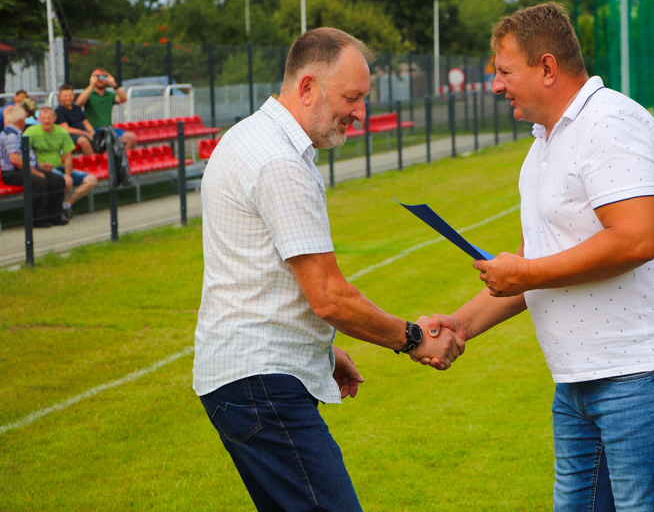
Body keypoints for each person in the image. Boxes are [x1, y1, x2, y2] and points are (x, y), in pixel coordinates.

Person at [425, 3, 654, 511]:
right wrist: (460, 324)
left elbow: (634, 239)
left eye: (504, 71)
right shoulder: (542, 145)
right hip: (580, 378)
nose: (496, 85)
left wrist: (528, 271)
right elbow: (535, 263)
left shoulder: (610, 123)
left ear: (546, 67)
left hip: (643, 372)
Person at [193, 27, 465, 512]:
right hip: (261, 383)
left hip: (249, 378)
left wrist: (321, 351)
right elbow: (329, 296)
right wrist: (414, 338)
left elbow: (262, 277)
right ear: (307, 88)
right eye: (352, 97)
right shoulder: (279, 161)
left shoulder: (250, 138)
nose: (361, 111)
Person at [0, 105, 68, 227]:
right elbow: (15, 160)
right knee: (39, 181)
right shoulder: (11, 135)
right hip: (12, 173)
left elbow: (25, 158)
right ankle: (37, 220)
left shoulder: (17, 133)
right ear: (20, 121)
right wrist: (34, 171)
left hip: (24, 169)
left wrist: (40, 166)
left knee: (57, 180)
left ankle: (55, 216)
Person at [24, 107, 97, 219]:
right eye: (43, 118)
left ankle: (65, 205)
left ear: (55, 118)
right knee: (66, 181)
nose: (46, 121)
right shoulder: (31, 132)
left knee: (91, 180)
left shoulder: (62, 132)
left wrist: (68, 175)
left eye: (49, 118)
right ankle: (54, 208)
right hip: (41, 168)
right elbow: (24, 153)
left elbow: (68, 156)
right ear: (39, 119)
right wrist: (39, 165)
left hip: (59, 166)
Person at [75, 68, 137, 150]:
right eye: (97, 77)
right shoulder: (89, 93)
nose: (100, 79)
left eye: (103, 77)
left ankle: (121, 162)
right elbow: (79, 103)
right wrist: (91, 85)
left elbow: (123, 99)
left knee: (131, 137)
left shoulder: (110, 95)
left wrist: (114, 85)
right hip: (94, 130)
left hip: (109, 129)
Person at [55, 84, 95, 154]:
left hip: (83, 133)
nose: (68, 98)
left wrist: (92, 132)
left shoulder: (77, 108)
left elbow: (86, 122)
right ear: (59, 97)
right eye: (65, 96)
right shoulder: (59, 111)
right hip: (69, 136)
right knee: (83, 141)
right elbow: (66, 128)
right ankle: (93, 161)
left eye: (70, 95)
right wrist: (84, 133)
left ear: (73, 96)